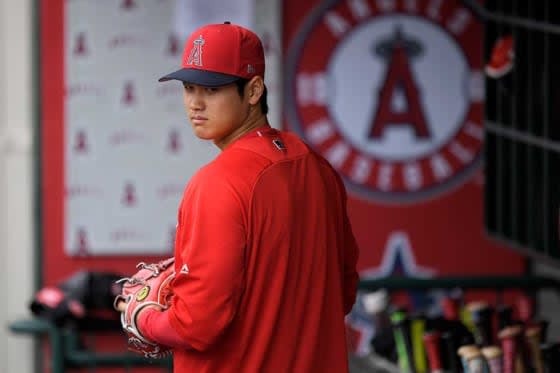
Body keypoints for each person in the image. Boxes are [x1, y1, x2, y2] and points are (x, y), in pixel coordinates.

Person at [123, 21, 360, 372]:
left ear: (253, 91)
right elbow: (343, 293)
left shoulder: (217, 183)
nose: (195, 103)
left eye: (212, 89)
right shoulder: (317, 168)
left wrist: (144, 319)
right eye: (189, 87)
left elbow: (197, 324)